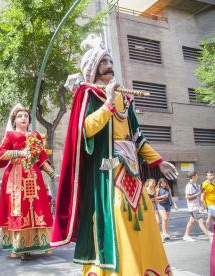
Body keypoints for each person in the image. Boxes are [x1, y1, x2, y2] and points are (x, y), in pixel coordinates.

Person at [51, 34, 178, 275]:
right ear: (93, 68)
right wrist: (108, 104)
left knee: (143, 214)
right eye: (104, 62)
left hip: (132, 169)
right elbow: (85, 129)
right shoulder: (89, 94)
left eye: (110, 62)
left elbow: (138, 137)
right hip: (107, 167)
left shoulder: (126, 100)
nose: (110, 66)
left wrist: (158, 161)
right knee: (117, 211)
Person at [0, 103, 59, 261]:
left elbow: (42, 158)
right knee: (21, 210)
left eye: (26, 116)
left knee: (36, 209)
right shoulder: (10, 135)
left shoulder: (35, 135)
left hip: (34, 176)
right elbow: (1, 154)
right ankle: (21, 247)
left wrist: (52, 174)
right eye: (20, 116)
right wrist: (19, 152)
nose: (23, 118)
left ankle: (35, 245)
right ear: (14, 119)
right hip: (16, 176)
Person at [183, 171, 212, 242]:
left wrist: (202, 203)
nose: (197, 176)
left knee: (192, 220)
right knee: (201, 221)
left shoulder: (194, 184)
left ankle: (186, 236)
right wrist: (197, 194)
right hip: (192, 207)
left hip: (196, 205)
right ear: (193, 177)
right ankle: (210, 238)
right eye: (196, 175)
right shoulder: (189, 186)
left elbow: (197, 195)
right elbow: (186, 196)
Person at [202, 170, 215, 235]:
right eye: (210, 175)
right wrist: (203, 204)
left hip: (214, 202)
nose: (212, 176)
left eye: (213, 175)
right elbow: (202, 194)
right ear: (206, 176)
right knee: (211, 217)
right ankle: (206, 230)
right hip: (210, 203)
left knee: (210, 217)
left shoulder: (213, 183)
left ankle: (206, 230)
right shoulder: (205, 184)